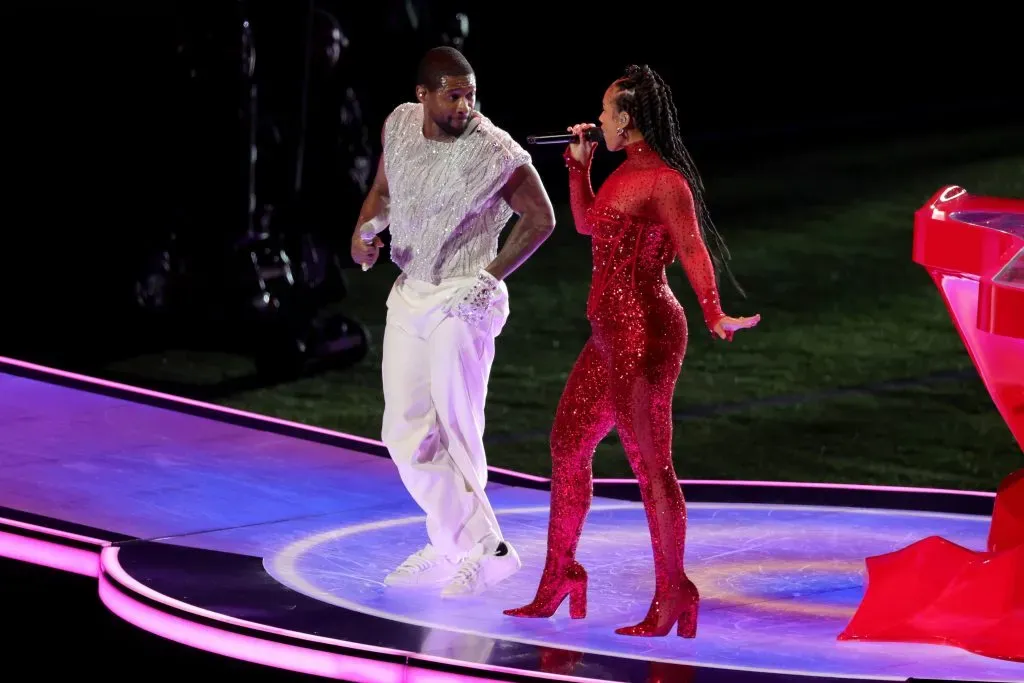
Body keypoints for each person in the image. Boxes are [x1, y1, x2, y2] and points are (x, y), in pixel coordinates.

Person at [504, 64, 759, 636]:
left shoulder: (665, 181)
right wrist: (579, 168)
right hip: (608, 335)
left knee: (650, 465)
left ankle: (674, 590)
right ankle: (561, 573)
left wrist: (713, 310)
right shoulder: (622, 175)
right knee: (567, 445)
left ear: (626, 118)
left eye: (604, 112)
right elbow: (589, 224)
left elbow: (691, 248)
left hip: (646, 333)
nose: (597, 120)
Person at [350, 46, 556, 598]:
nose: (466, 104)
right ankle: (458, 541)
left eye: (471, 93)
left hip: (464, 294)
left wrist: (489, 278)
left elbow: (541, 218)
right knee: (404, 430)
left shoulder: (492, 149)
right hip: (410, 290)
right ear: (423, 94)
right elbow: (385, 191)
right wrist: (365, 230)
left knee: (456, 427)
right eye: (453, 93)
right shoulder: (398, 123)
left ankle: (482, 550)